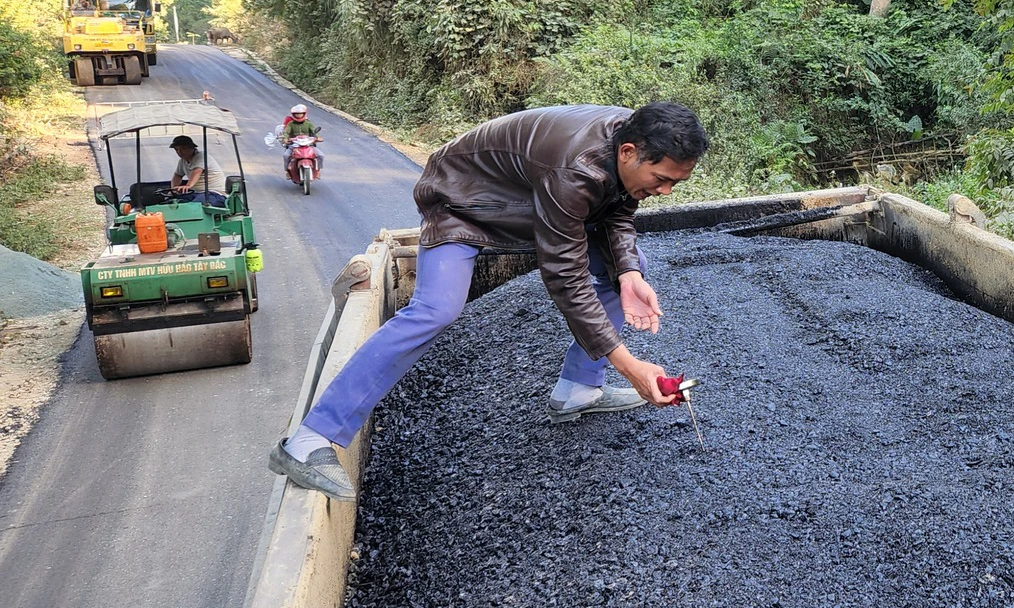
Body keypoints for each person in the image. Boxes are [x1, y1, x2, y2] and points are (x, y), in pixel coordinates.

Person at [268, 101, 709, 500]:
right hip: (460, 200)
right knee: (435, 310)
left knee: (628, 268)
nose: (666, 192)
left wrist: (629, 272)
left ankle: (578, 389)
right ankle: (308, 440)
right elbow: (565, 276)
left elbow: (617, 208)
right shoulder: (576, 169)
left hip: (527, 201)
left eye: (676, 183)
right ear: (629, 152)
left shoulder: (627, 142)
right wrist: (630, 366)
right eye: (662, 180)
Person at [277, 103, 322, 183]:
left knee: (321, 155)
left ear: (304, 114)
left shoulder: (308, 123)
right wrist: (286, 138)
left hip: (308, 145)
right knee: (286, 155)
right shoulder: (290, 124)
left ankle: (318, 171)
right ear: (293, 115)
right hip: (294, 145)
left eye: (300, 114)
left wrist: (318, 137)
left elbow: (314, 131)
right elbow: (286, 132)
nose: (299, 116)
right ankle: (288, 171)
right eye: (297, 114)